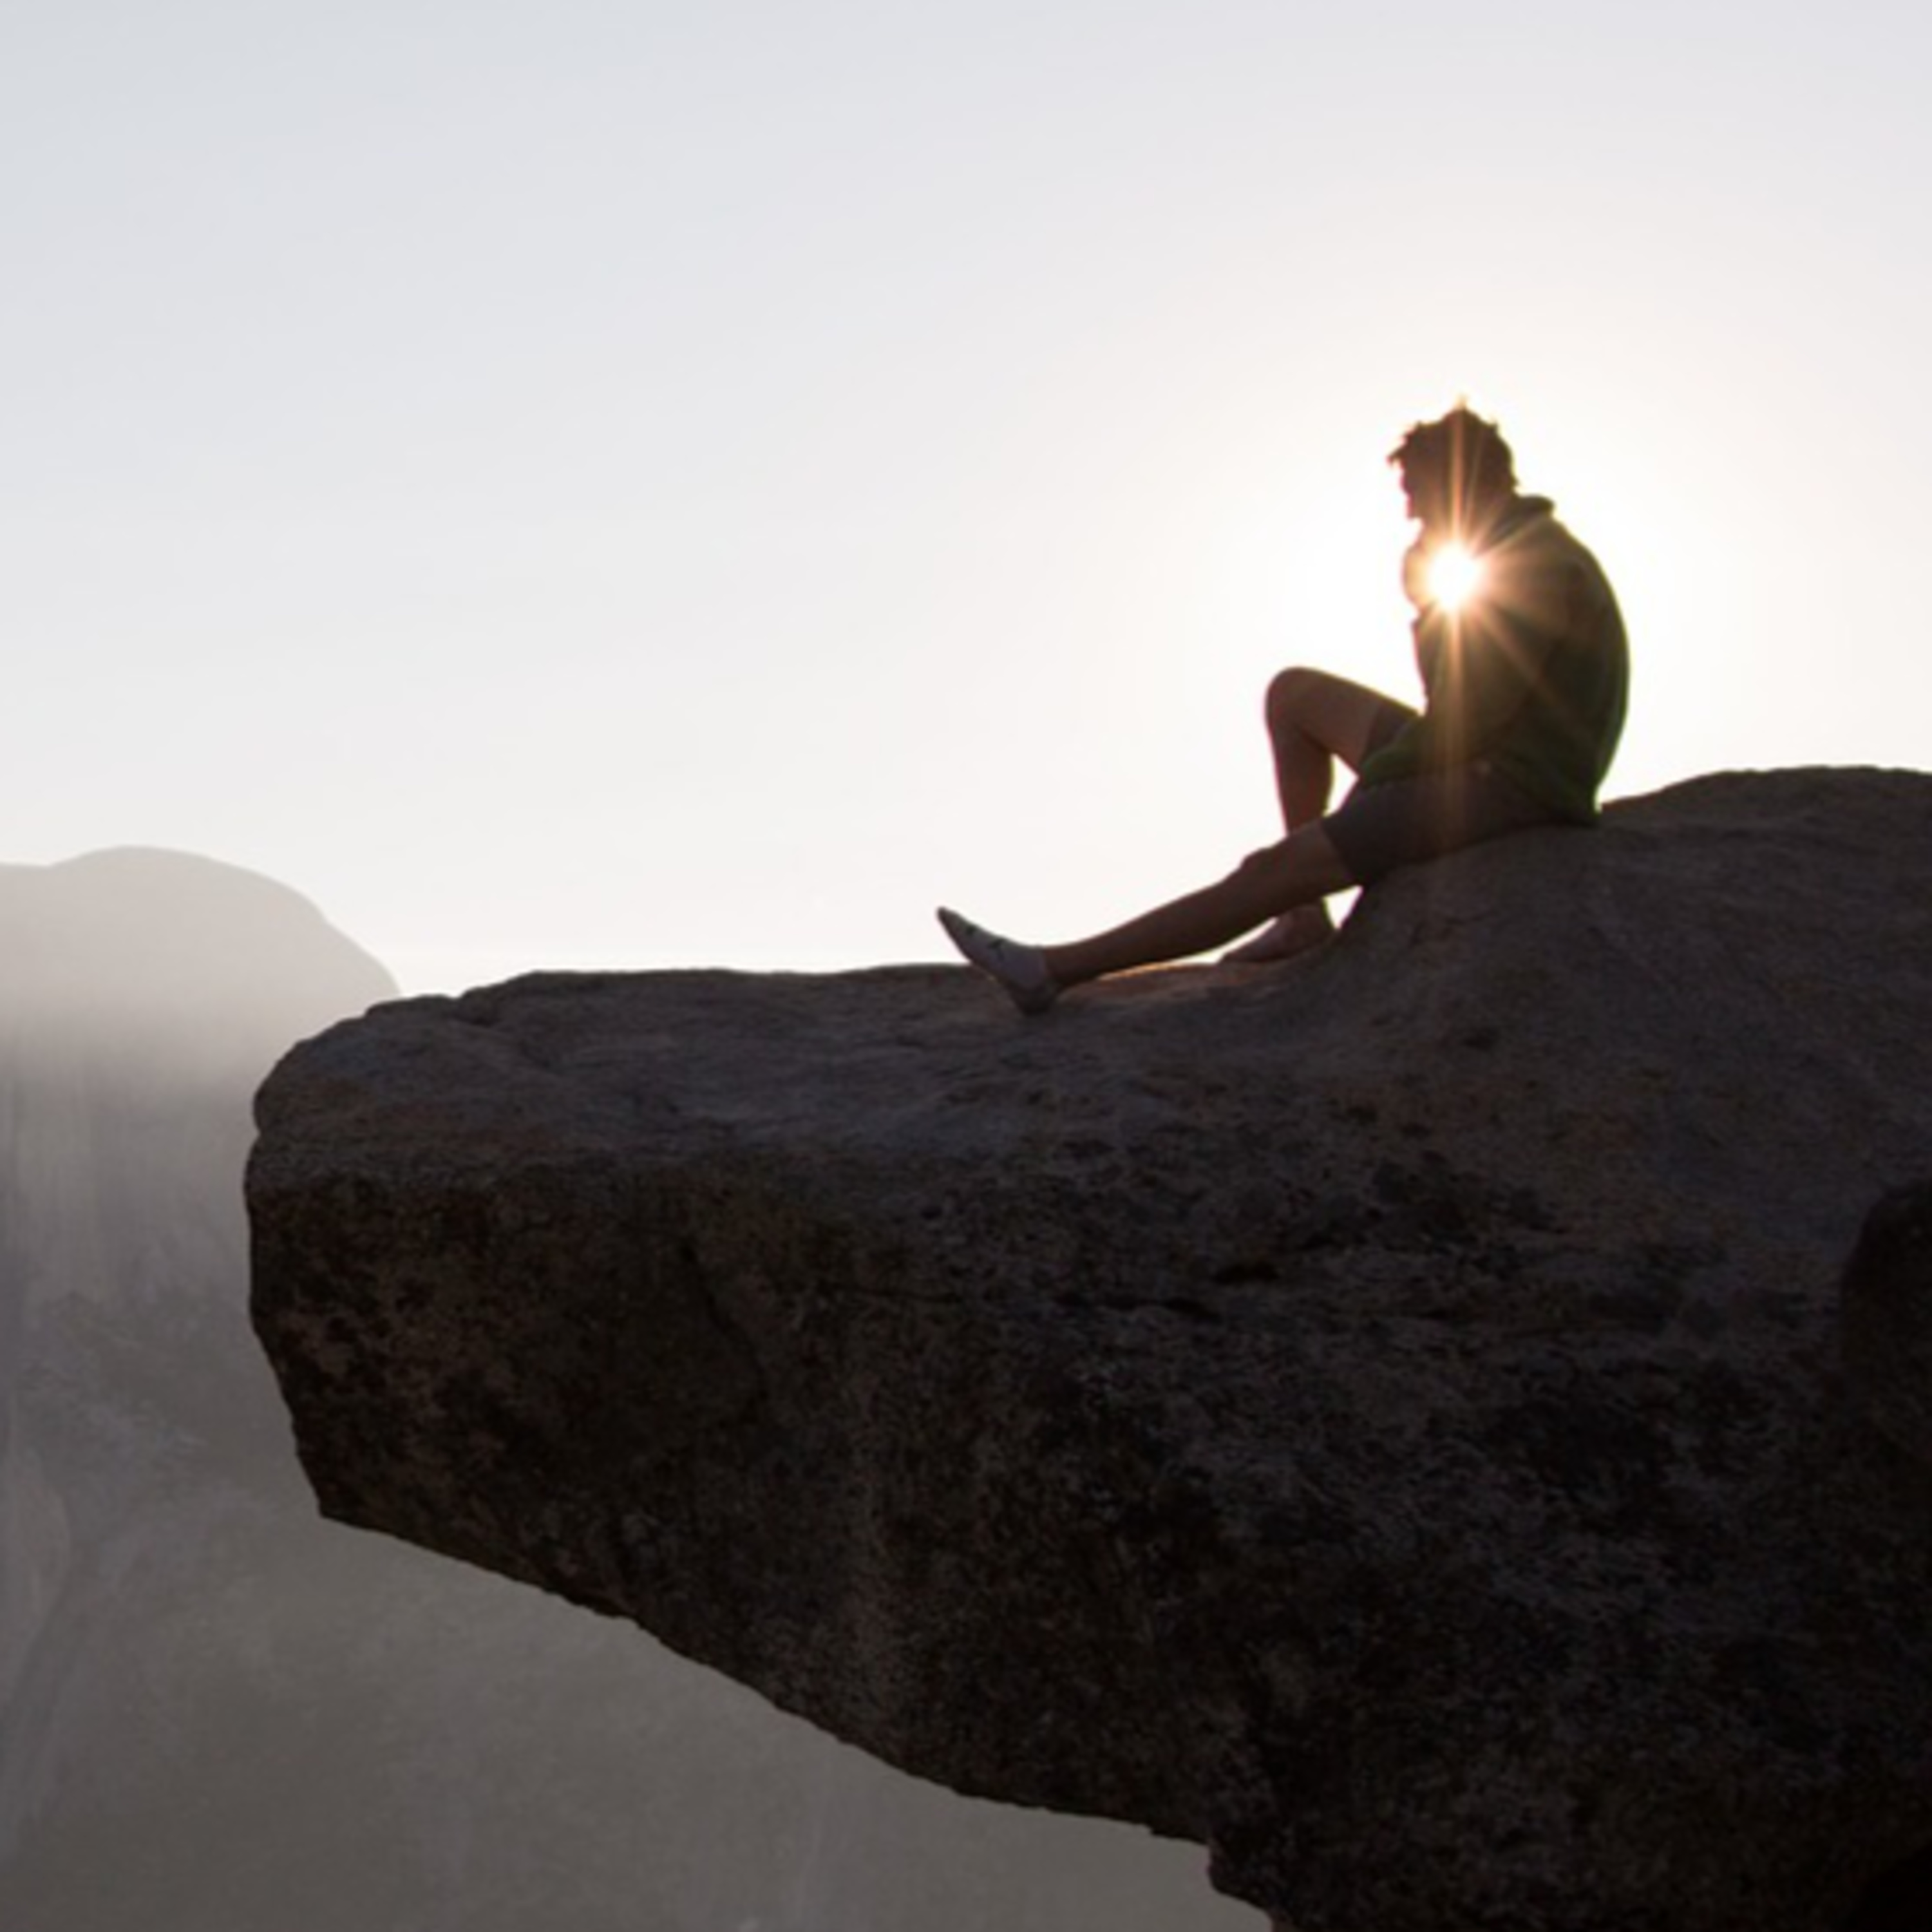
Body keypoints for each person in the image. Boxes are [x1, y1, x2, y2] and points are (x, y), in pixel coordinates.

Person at [938, 404, 1629, 1015]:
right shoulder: (1508, 552)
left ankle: (1050, 971)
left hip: (1512, 781)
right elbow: (1453, 700)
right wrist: (1426, 608)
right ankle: (1304, 919)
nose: (1412, 515)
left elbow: (1464, 724)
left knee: (1271, 868)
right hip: (1485, 749)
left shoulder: (1531, 565)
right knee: (1294, 695)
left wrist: (1371, 793)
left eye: (1418, 496)